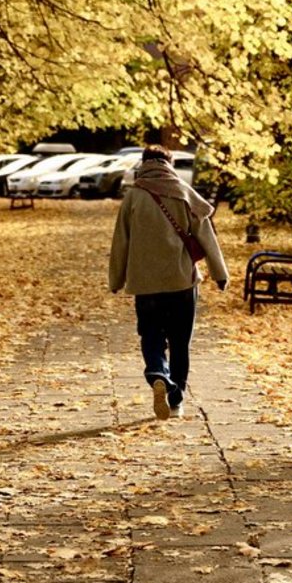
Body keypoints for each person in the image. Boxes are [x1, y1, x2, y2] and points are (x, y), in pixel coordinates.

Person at [109, 145, 229, 420]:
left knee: (151, 334)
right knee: (179, 340)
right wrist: (219, 273)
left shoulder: (133, 196)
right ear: (169, 164)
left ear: (144, 164)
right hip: (182, 281)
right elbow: (205, 234)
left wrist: (116, 279)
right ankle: (176, 401)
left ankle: (157, 374)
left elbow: (121, 241)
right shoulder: (184, 192)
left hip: (145, 282)